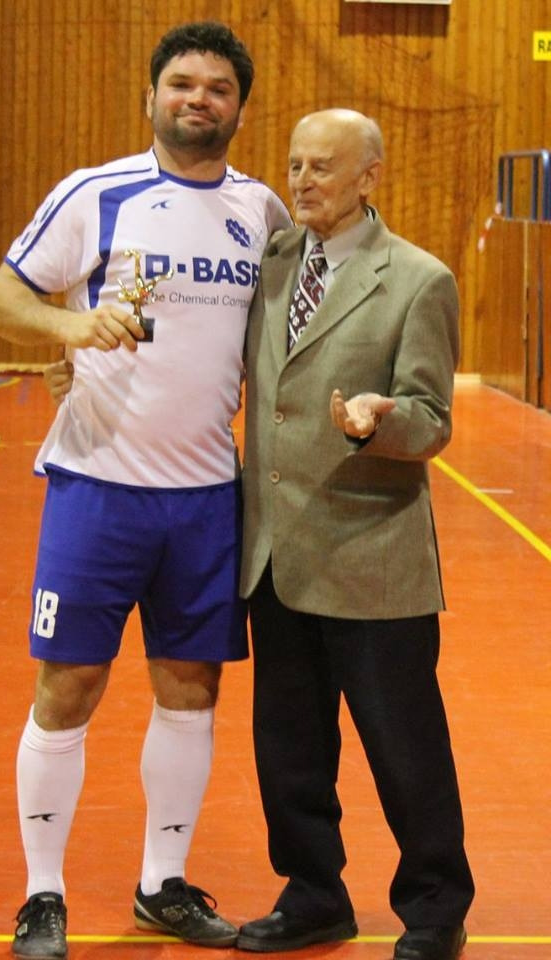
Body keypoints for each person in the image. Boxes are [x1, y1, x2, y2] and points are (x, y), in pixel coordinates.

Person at [0, 21, 291, 959]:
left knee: (191, 688)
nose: (199, 99)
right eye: (182, 83)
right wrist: (68, 332)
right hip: (98, 488)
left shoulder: (262, 211)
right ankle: (42, 895)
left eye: (218, 89)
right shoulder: (96, 192)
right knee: (69, 684)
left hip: (206, 498)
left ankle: (163, 884)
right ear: (151, 96)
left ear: (240, 109)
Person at [236, 108, 474, 960]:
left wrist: (381, 420)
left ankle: (436, 909)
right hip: (276, 553)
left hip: (372, 555)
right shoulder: (271, 265)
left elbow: (432, 417)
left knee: (405, 750)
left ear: (370, 176)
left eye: (323, 167)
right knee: (290, 748)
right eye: (295, 165)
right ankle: (313, 896)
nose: (302, 181)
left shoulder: (418, 279)